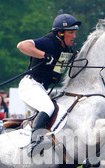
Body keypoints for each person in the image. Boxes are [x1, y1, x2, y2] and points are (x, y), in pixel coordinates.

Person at [17, 13, 81, 156]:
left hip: (41, 88)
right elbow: (22, 45)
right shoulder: (49, 41)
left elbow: (59, 70)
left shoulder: (66, 49)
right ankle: (34, 143)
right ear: (60, 33)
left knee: (60, 113)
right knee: (48, 107)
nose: (74, 36)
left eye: (74, 32)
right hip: (30, 85)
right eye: (71, 32)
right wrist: (44, 56)